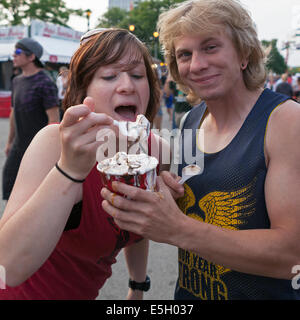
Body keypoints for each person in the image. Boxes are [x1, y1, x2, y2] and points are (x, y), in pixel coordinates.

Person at [100, 0, 300, 300]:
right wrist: (167, 194)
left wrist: (177, 227)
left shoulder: (285, 121)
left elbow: (292, 255)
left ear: (244, 53)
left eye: (210, 47)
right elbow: (199, 207)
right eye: (185, 54)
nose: (197, 64)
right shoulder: (192, 119)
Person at [0, 28, 168, 299]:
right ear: (83, 91)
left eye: (138, 75)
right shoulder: (54, 143)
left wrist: (137, 286)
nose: (127, 86)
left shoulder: (157, 152)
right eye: (109, 75)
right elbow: (7, 267)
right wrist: (70, 170)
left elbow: (136, 220)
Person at [2, 38, 59, 201]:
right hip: (19, 145)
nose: (14, 55)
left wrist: (49, 152)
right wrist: (9, 142)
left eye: (18, 52)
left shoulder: (45, 82)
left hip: (38, 147)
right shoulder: (16, 81)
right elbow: (14, 112)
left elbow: (54, 119)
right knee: (9, 183)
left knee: (34, 194)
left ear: (31, 56)